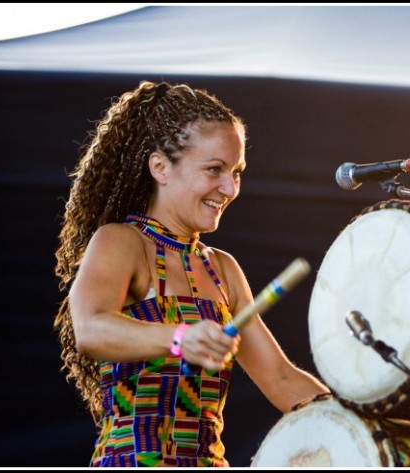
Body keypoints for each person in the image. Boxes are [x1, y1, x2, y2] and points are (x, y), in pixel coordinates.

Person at [54, 80, 329, 467]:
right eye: (214, 169)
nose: (230, 188)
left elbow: (282, 381)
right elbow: (92, 330)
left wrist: (365, 423)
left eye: (237, 171)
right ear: (160, 167)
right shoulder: (121, 242)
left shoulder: (223, 269)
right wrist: (181, 337)